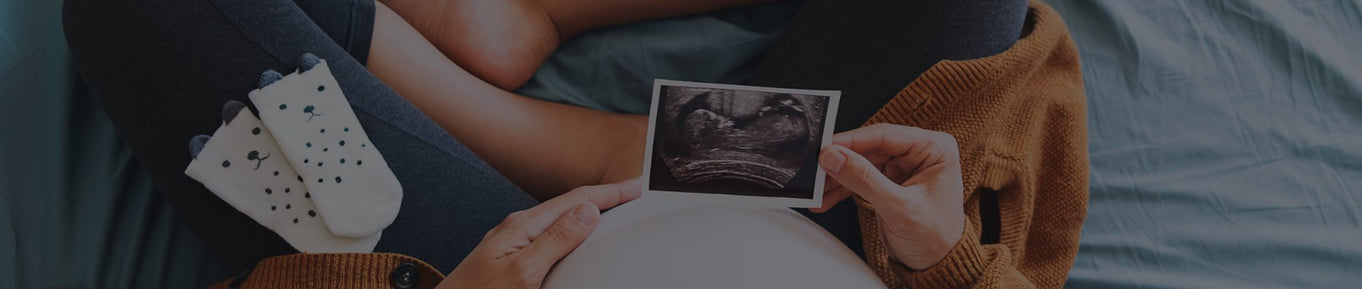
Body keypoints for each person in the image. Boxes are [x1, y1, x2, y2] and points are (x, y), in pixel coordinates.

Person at [63, 0, 1088, 287]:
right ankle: (532, 34)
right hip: (841, 226)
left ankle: (541, 132)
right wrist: (946, 257)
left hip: (483, 260)